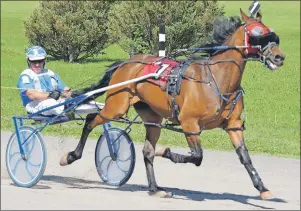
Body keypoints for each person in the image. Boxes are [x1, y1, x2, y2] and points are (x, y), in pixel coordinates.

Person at [17, 46, 73, 117]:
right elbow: (32, 95)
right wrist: (50, 95)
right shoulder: (26, 76)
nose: (37, 65)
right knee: (50, 102)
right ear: (28, 61)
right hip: (35, 105)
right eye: (33, 62)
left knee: (73, 99)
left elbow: (64, 88)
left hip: (55, 102)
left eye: (40, 61)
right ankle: (67, 110)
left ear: (44, 60)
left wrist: (69, 93)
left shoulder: (50, 73)